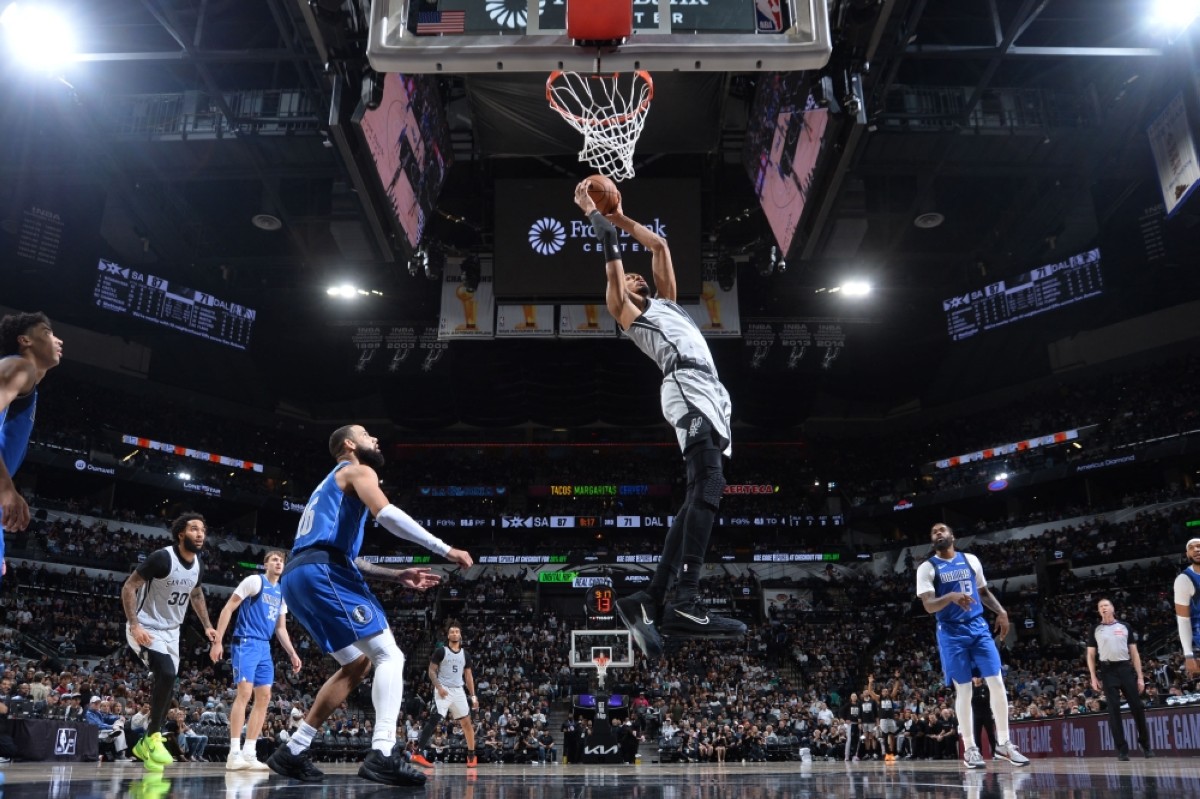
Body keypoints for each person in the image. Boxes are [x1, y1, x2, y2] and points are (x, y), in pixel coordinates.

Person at [573, 182, 746, 658]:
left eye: (636, 276)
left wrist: (625, 217)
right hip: (685, 388)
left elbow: (661, 246)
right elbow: (611, 254)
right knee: (709, 484)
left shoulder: (669, 303)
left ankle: (649, 598)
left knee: (701, 492)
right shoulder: (625, 310)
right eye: (628, 277)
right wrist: (594, 213)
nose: (634, 277)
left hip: (709, 392)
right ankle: (686, 599)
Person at [265, 424, 473, 787]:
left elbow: (347, 556)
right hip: (323, 570)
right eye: (366, 434)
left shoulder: (328, 486)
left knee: (357, 663)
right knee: (389, 655)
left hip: (299, 576)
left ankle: (294, 749)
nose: (375, 439)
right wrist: (445, 549)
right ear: (349, 444)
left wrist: (396, 576)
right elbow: (387, 514)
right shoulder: (359, 469)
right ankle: (384, 752)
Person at [915, 522, 1029, 769]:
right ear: (932, 541)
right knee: (964, 690)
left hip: (978, 628)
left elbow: (984, 592)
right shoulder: (927, 568)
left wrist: (1001, 611)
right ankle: (971, 748)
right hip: (951, 633)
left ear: (952, 536)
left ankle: (1003, 745)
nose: (937, 533)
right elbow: (929, 605)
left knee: (997, 682)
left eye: (942, 530)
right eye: (933, 531)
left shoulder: (970, 560)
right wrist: (950, 597)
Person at [122, 512, 217, 772]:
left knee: (170, 679)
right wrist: (134, 624)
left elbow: (196, 594)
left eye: (203, 530)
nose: (200, 534)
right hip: (146, 626)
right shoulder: (162, 558)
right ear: (180, 534)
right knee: (165, 672)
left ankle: (148, 741)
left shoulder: (198, 564)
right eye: (194, 529)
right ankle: (152, 737)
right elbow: (129, 587)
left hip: (172, 632)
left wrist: (208, 625)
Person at [210, 549, 303, 771]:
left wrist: (292, 652)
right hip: (246, 641)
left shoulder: (281, 593)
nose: (279, 563)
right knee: (244, 693)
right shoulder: (254, 581)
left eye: (281, 560)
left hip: (264, 646)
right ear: (266, 564)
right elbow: (229, 607)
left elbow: (281, 628)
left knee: (264, 697)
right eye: (274, 560)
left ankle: (249, 752)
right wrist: (218, 641)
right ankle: (233, 753)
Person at [0, 312, 63, 582]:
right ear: (25, 340)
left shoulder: (26, 383)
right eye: (47, 332)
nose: (58, 340)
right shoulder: (19, 367)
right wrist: (6, 489)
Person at [1087, 597, 1154, 760]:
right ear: (1098, 610)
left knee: (1137, 707)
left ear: (1112, 608)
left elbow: (1134, 653)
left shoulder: (1125, 626)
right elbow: (1090, 654)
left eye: (1106, 605)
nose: (1103, 608)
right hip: (1107, 669)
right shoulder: (1095, 629)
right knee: (1113, 710)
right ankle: (1122, 749)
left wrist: (1140, 677)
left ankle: (1145, 746)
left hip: (1125, 668)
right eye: (1100, 606)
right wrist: (1093, 676)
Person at [410, 619, 480, 769]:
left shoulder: (465, 654)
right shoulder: (441, 651)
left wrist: (473, 696)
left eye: (457, 631)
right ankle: (417, 753)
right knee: (435, 718)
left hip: (458, 690)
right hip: (443, 689)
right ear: (448, 635)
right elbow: (431, 671)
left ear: (460, 635)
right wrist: (439, 687)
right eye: (452, 632)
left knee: (467, 723)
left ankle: (471, 755)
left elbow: (468, 677)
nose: (454, 634)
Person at [1173, 537, 1200, 677]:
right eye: (1192, 547)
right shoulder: (1184, 579)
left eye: (1199, 546)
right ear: (1187, 554)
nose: (1196, 549)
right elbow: (1183, 620)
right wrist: (1188, 654)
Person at [84, 697, 131, 761]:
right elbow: (97, 725)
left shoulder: (98, 713)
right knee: (119, 730)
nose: (97, 705)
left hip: (103, 731)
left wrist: (118, 717)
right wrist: (111, 726)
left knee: (119, 727)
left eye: (98, 703)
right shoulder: (89, 714)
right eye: (95, 703)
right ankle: (119, 754)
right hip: (96, 733)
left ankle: (112, 737)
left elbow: (107, 718)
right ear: (90, 704)